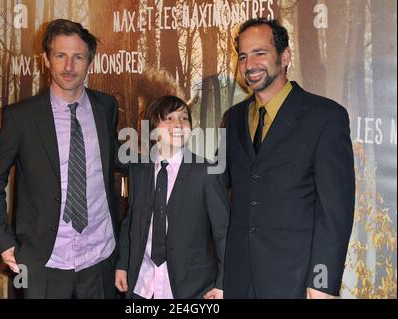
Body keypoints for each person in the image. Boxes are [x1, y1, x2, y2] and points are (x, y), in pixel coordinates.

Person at [0, 19, 121, 298]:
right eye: (60, 55)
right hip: (44, 261)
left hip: (100, 258)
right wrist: (3, 240)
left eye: (78, 57)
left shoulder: (106, 107)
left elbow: (114, 161)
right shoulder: (20, 117)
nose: (69, 66)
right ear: (46, 59)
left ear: (89, 62)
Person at [223, 18, 355, 299]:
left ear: (285, 57)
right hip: (238, 278)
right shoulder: (233, 119)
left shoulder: (325, 117)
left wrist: (322, 282)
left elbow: (335, 213)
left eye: (260, 53)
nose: (249, 64)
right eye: (243, 56)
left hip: (294, 281)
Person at [115, 96, 229, 299]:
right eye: (169, 118)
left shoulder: (207, 172)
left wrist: (222, 284)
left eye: (184, 118)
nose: (178, 124)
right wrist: (123, 264)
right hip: (142, 285)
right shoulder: (140, 170)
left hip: (192, 289)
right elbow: (130, 221)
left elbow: (223, 233)